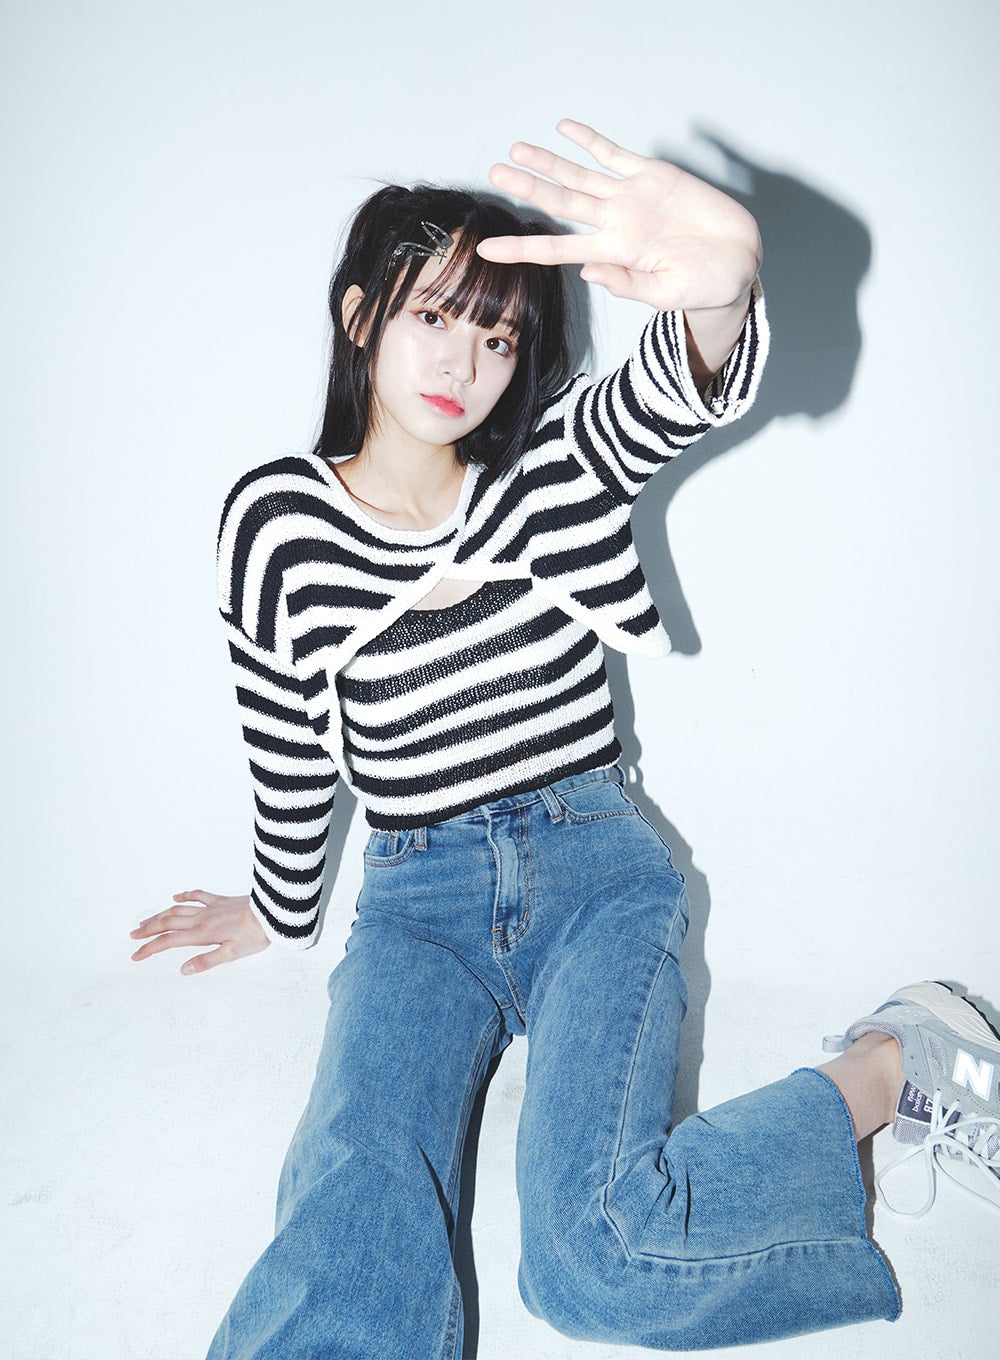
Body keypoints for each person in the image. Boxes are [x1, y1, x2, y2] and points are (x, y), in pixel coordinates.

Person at [130, 121, 1000, 1358]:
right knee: (351, 1199)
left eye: (498, 336)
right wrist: (278, 908)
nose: (467, 360)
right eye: (437, 315)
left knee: (598, 1262)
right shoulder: (278, 523)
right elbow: (287, 746)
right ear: (361, 314)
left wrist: (720, 295)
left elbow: (661, 399)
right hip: (415, 904)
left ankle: (890, 1060)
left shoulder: (550, 466)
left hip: (591, 870)